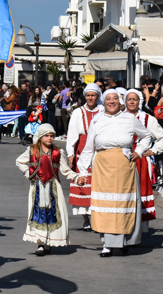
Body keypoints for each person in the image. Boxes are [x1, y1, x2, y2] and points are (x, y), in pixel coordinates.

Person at [78, 89, 151, 257]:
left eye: (115, 99)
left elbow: (146, 137)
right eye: (108, 99)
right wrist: (83, 171)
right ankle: (107, 244)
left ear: (121, 102)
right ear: (103, 102)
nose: (112, 102)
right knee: (106, 206)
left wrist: (138, 151)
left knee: (123, 205)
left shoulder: (130, 119)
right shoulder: (97, 121)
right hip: (103, 167)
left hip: (125, 166)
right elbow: (89, 148)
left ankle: (124, 239)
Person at [16, 123, 73, 255]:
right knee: (38, 213)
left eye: (52, 136)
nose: (49, 138)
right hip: (37, 186)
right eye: (46, 136)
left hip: (53, 187)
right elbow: (19, 161)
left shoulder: (58, 152)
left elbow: (65, 170)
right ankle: (40, 244)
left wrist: (76, 177)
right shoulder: (31, 150)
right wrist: (28, 174)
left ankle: (49, 242)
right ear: (40, 137)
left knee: (52, 214)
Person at [125, 89, 163, 224]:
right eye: (129, 99)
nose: (132, 102)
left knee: (141, 190)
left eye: (135, 99)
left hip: (140, 160)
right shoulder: (119, 117)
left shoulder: (147, 118)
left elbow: (162, 137)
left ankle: (141, 225)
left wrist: (153, 150)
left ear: (140, 101)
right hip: (123, 159)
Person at [65, 82, 102, 230]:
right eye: (88, 95)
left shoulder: (103, 111)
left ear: (97, 96)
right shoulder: (78, 112)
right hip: (82, 148)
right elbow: (72, 133)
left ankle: (97, 217)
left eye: (93, 95)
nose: (90, 98)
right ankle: (86, 219)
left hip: (98, 150)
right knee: (83, 183)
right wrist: (71, 153)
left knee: (97, 185)